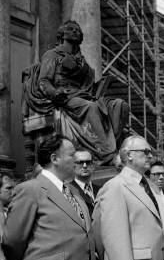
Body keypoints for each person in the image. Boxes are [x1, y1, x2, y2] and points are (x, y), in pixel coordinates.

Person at [23, 21, 128, 164]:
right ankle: (107, 155)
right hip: (66, 97)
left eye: (77, 30)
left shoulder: (82, 61)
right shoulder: (53, 55)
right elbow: (44, 81)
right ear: (62, 34)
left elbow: (88, 86)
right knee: (91, 108)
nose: (75, 32)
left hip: (85, 96)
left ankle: (107, 146)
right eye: (71, 29)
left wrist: (101, 85)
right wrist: (55, 92)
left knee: (119, 105)